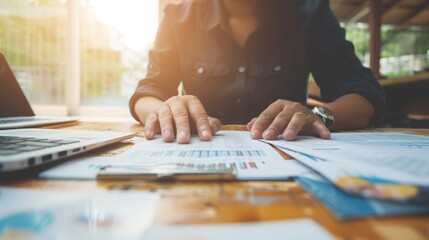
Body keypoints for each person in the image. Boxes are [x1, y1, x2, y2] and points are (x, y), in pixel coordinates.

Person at [129, 0, 385, 144]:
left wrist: (317, 114)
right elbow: (147, 93)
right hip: (196, 159)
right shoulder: (178, 18)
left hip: (292, 163)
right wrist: (165, 112)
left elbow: (364, 97)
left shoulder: (311, 13)